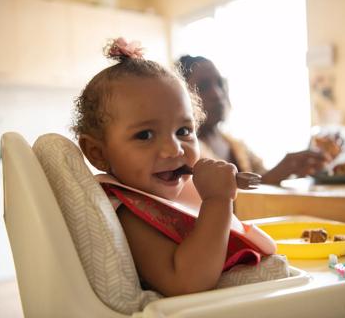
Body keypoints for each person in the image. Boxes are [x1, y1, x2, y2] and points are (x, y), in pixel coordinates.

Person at [71, 38, 279, 297]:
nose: (175, 150)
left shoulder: (170, 190)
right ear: (98, 152)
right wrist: (217, 200)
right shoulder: (130, 214)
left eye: (183, 131)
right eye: (145, 135)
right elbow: (186, 282)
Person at [176, 55, 330, 185]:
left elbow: (262, 176)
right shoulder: (185, 151)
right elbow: (212, 200)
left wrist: (292, 169)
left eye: (220, 83)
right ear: (181, 97)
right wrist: (272, 177)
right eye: (203, 87)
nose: (217, 94)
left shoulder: (234, 143)